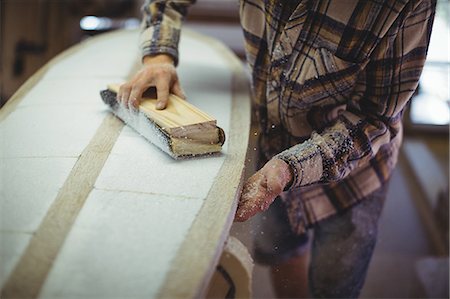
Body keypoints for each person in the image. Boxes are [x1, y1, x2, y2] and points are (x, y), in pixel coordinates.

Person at [118, 0, 436, 297]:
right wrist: (159, 56)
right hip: (274, 140)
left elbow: (373, 116)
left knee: (335, 282)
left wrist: (289, 170)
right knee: (280, 249)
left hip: (355, 170)